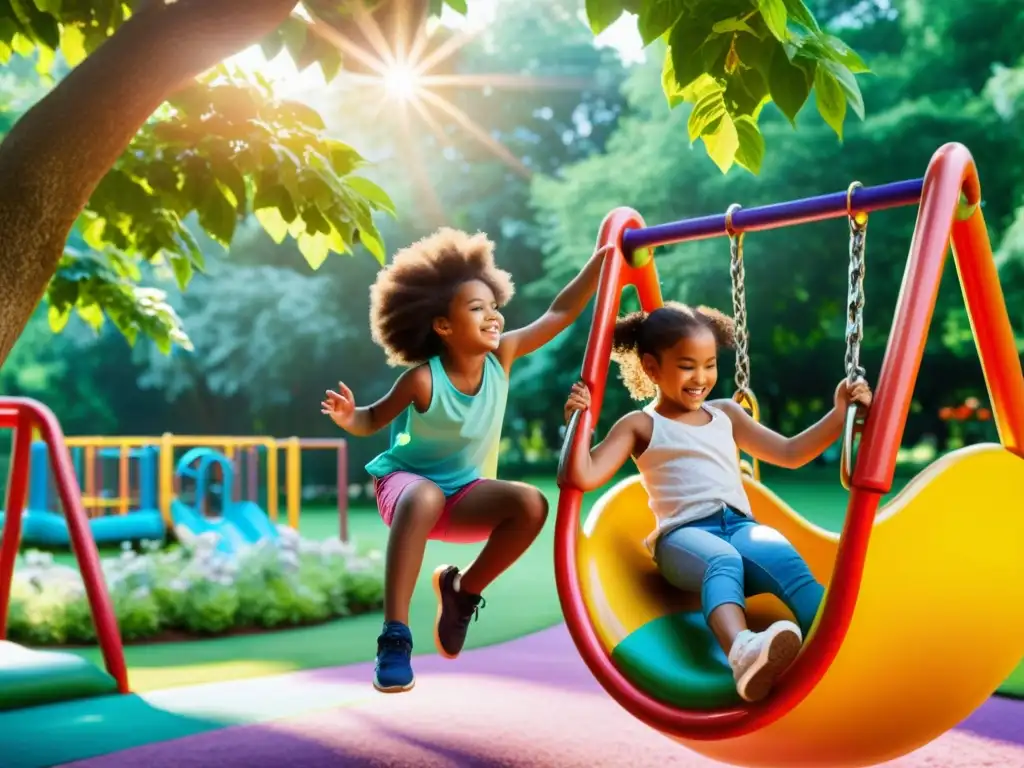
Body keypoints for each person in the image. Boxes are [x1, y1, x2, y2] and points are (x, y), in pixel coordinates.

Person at [322, 227, 610, 693]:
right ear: (443, 326)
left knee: (532, 503)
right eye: (477, 309)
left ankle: (463, 594)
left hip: (463, 497)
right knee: (426, 493)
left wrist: (602, 261)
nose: (493, 316)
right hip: (406, 489)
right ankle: (395, 637)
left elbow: (560, 311)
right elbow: (372, 419)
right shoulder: (422, 380)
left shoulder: (504, 357)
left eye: (494, 306)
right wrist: (347, 415)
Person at [562, 302, 873, 703]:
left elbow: (791, 453)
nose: (702, 377)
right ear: (652, 368)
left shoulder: (726, 413)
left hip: (739, 526)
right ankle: (742, 651)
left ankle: (838, 643)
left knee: (782, 556)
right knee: (721, 560)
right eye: (687, 365)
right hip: (682, 538)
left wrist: (839, 414)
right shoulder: (640, 425)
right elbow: (581, 475)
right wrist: (577, 423)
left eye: (710, 365)